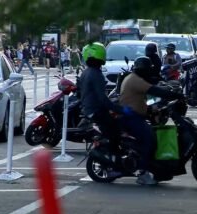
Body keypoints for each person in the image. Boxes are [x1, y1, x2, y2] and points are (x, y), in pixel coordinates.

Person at [119, 56, 184, 185]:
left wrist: (150, 110)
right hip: (131, 117)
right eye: (148, 69)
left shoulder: (133, 78)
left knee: (153, 134)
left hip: (133, 115)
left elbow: (141, 98)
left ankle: (156, 170)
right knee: (149, 140)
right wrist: (176, 95)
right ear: (143, 69)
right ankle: (143, 173)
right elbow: (155, 91)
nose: (150, 71)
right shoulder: (136, 80)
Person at [79, 42, 133, 177]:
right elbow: (103, 99)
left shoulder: (86, 72)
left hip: (89, 109)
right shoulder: (95, 74)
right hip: (97, 110)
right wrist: (120, 109)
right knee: (115, 133)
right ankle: (113, 166)